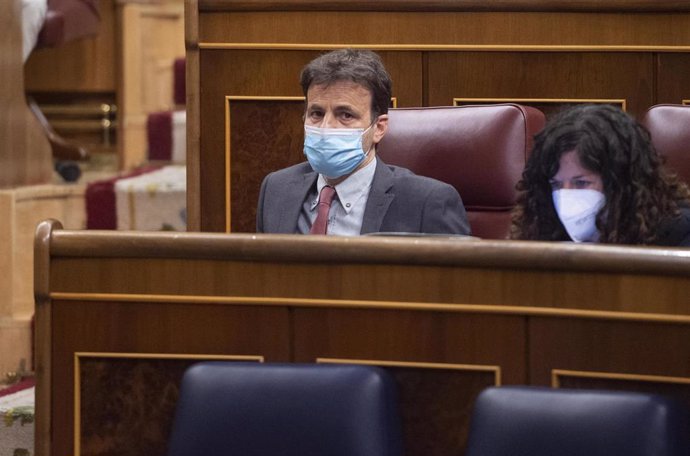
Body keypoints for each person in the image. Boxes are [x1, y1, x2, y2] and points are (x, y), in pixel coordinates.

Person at [256, 49, 470, 236]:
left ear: (379, 128)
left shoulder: (427, 202)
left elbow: (453, 282)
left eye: (346, 115)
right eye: (317, 113)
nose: (326, 127)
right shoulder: (276, 189)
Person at [510, 104, 690, 246]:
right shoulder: (543, 225)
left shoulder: (678, 232)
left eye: (581, 183)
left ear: (620, 180)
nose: (566, 199)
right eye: (556, 185)